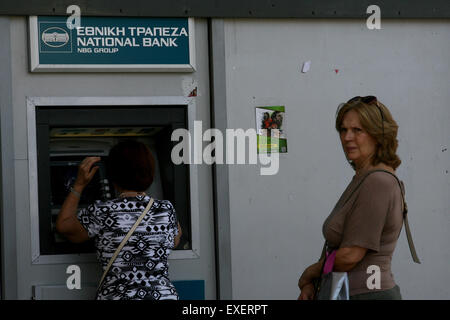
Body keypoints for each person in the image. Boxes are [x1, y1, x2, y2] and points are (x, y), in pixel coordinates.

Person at [298, 96, 405, 300]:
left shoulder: (377, 183)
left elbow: (350, 256)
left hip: (367, 294)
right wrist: (313, 285)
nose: (347, 137)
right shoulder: (363, 178)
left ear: (378, 135)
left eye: (358, 130)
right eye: (343, 130)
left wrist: (311, 272)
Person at [56, 139, 182, 300]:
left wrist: (79, 184)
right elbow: (175, 240)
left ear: (112, 174)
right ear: (150, 171)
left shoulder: (102, 211)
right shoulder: (166, 209)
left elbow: (64, 226)